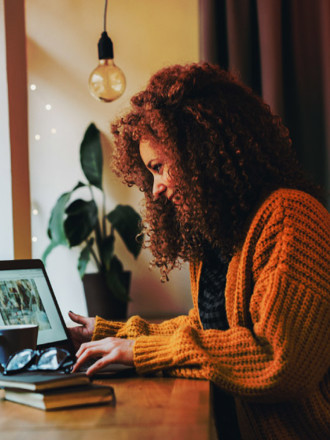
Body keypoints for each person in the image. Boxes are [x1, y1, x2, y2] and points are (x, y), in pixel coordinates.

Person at [69, 63, 330, 440]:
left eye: (159, 167)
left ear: (201, 150)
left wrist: (139, 352)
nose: (156, 187)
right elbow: (209, 329)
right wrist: (109, 334)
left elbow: (279, 360)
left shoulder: (290, 217)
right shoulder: (220, 230)